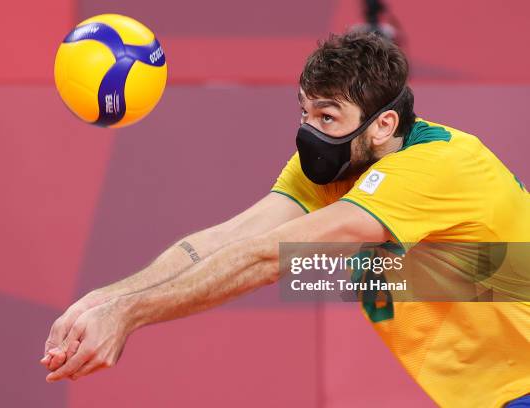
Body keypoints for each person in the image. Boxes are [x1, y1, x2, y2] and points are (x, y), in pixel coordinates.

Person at [40, 32, 530, 406]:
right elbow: (231, 238)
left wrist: (129, 315)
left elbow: (270, 258)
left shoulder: (436, 168)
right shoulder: (334, 163)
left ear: (383, 124)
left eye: (328, 116)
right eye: (305, 114)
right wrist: (108, 298)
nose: (309, 134)